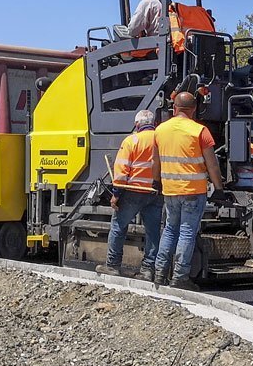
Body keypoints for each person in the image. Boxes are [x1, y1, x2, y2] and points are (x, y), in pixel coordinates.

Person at [152, 92, 224, 290]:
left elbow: (155, 161)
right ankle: (180, 277)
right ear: (194, 110)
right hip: (193, 191)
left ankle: (159, 274)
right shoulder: (200, 131)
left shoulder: (160, 130)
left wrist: (156, 181)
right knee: (186, 233)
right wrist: (219, 188)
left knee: (169, 231)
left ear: (174, 108)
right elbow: (213, 164)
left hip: (170, 191)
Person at [96, 110, 164, 281]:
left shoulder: (132, 141)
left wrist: (116, 194)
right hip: (155, 192)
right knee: (153, 231)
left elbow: (121, 171)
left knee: (119, 227)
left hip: (132, 191)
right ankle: (148, 270)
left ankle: (112, 266)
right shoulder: (161, 139)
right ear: (153, 123)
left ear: (137, 124)